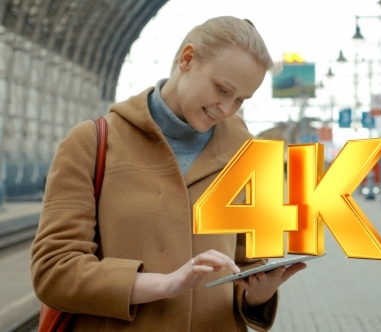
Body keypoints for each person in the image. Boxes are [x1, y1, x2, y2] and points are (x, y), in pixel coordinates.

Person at [31, 16, 306, 331]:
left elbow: (249, 264)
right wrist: (163, 285)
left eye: (241, 100)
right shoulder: (92, 143)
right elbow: (55, 271)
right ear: (187, 59)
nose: (227, 109)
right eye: (221, 89)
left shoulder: (249, 152)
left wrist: (258, 295)